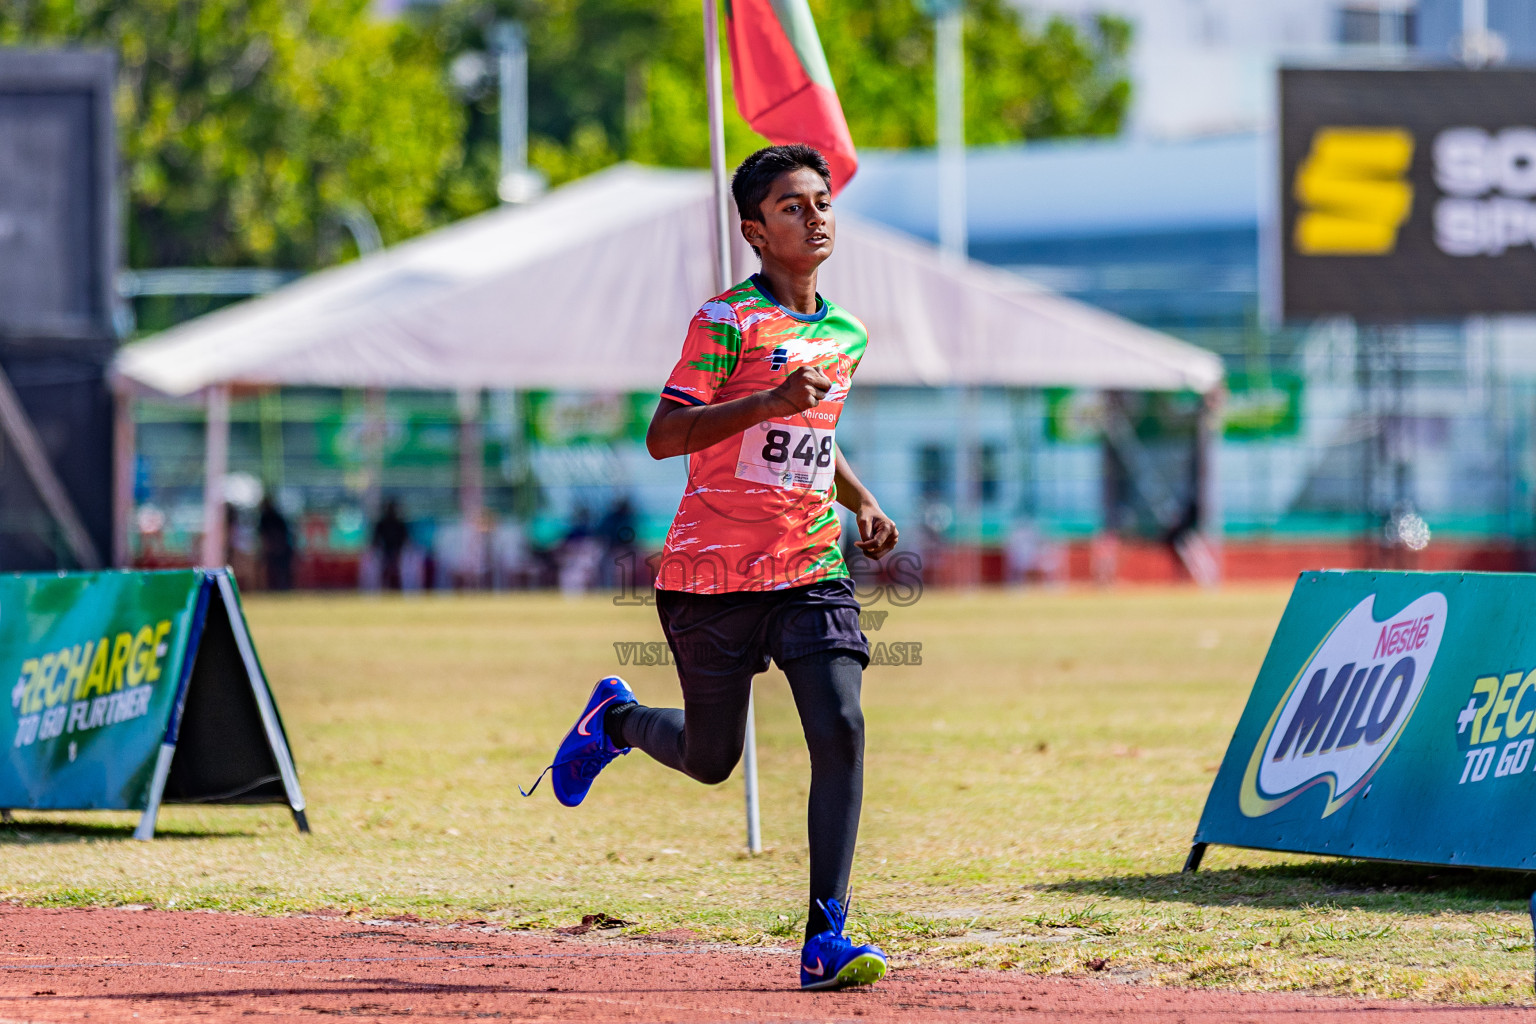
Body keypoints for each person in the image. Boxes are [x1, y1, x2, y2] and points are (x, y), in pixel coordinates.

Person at [524, 145, 899, 991]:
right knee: (710, 757)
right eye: (793, 206)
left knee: (841, 725)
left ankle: (826, 937)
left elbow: (815, 437)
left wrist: (862, 501)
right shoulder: (725, 322)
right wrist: (767, 399)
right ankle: (616, 721)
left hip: (810, 565)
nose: (815, 216)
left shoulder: (847, 334)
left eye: (822, 201)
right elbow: (664, 436)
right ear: (754, 231)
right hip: (711, 575)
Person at [257, 496, 294, 591]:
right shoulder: (264, 518)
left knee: (282, 569)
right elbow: (263, 535)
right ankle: (267, 587)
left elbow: (283, 534)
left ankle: (283, 586)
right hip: (272, 548)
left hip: (282, 548)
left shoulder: (276, 517)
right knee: (268, 568)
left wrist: (278, 546)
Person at [371, 499, 409, 591]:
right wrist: (377, 550)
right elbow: (375, 540)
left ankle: (396, 588)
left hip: (396, 551)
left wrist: (399, 551)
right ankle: (384, 588)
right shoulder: (381, 524)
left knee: (396, 571)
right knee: (385, 571)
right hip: (385, 551)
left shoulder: (399, 524)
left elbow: (404, 539)